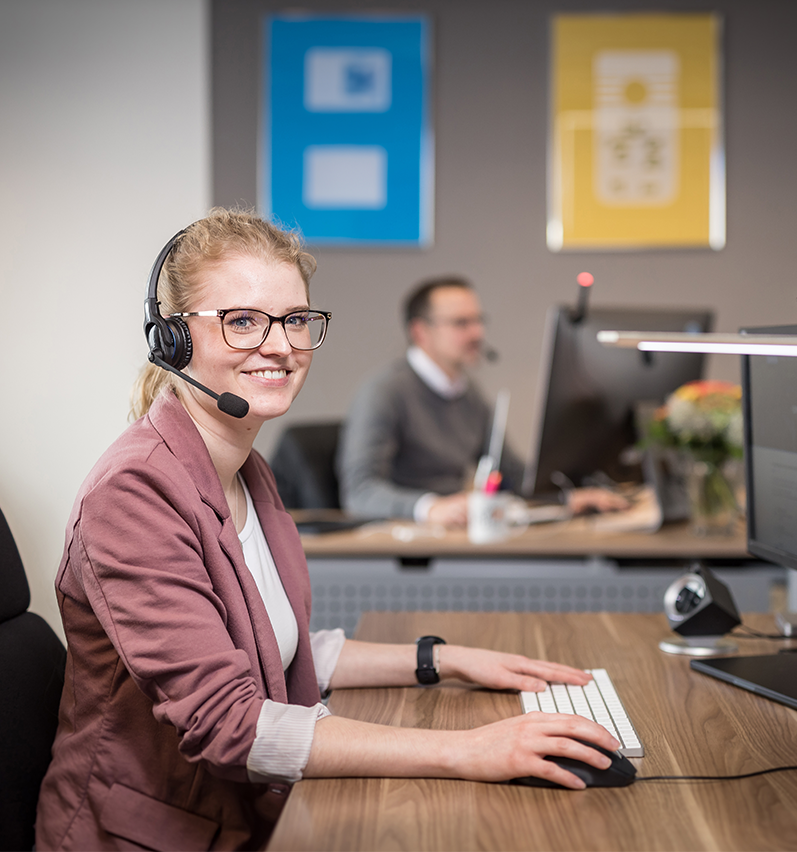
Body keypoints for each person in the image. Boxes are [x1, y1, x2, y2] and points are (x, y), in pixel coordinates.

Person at [35, 211, 619, 852]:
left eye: (294, 320)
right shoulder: (134, 494)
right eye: (243, 321)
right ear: (173, 340)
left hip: (245, 814)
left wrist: (442, 659)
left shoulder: (247, 469)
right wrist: (465, 750)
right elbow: (229, 722)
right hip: (157, 836)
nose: (281, 345)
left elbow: (272, 642)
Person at [338, 276, 628, 527]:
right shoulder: (384, 392)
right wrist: (430, 508)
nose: (477, 333)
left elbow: (513, 476)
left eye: (478, 321)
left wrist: (567, 497)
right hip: (407, 548)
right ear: (420, 332)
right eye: (461, 323)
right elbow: (360, 492)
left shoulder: (467, 393)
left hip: (455, 532)